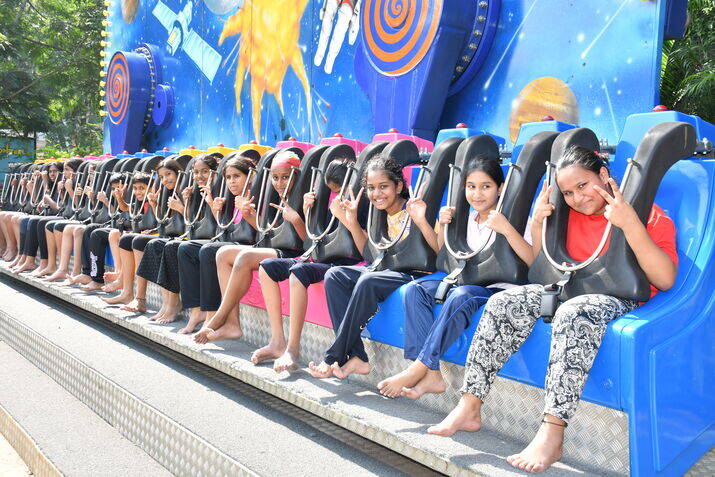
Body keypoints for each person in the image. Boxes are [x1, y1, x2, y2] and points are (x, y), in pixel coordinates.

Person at [427, 146, 678, 473]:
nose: (578, 198)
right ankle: (470, 404)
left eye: (583, 186)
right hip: (571, 287)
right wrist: (537, 225)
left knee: (574, 313)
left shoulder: (648, 214)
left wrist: (630, 225)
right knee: (503, 301)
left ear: (603, 175)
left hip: (618, 297)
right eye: (568, 193)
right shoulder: (565, 217)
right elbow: (540, 271)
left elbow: (665, 279)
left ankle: (553, 430)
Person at [377, 156, 535, 398]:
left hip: (497, 288)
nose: (477, 194)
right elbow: (442, 253)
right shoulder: (466, 220)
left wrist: (507, 229)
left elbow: (532, 261)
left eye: (486, 186)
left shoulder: (516, 219)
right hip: (467, 279)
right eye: (471, 187)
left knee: (462, 295)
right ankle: (431, 373)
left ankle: (417, 368)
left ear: (500, 188)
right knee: (416, 290)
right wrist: (439, 225)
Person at [308, 154, 439, 379]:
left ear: (398, 186)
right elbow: (369, 255)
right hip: (385, 269)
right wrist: (350, 222)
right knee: (335, 275)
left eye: (383, 186)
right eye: (371, 188)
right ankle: (357, 356)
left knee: (367, 280)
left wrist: (421, 221)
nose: (376, 193)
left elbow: (438, 251)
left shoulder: (414, 209)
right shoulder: (377, 215)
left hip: (413, 274)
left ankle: (333, 356)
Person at [256, 158, 366, 370]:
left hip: (345, 263)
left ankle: (292, 349)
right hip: (319, 257)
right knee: (268, 266)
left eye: (339, 191)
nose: (336, 195)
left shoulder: (358, 203)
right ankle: (277, 341)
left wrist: (346, 217)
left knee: (298, 272)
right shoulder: (325, 201)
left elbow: (365, 249)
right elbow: (311, 241)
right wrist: (308, 213)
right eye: (332, 191)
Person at [192, 150, 306, 344]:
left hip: (294, 253)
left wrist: (296, 220)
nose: (280, 183)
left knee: (244, 257)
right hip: (274, 246)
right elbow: (266, 232)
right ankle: (232, 324)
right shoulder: (272, 195)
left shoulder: (304, 197)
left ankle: (219, 317)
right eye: (275, 178)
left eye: (285, 177)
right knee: (223, 254)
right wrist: (249, 215)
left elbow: (308, 243)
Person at [176, 152, 259, 334]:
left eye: (237, 176)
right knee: (186, 249)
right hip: (231, 241)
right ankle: (196, 310)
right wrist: (215, 208)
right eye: (228, 178)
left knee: (208, 251)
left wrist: (248, 213)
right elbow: (225, 228)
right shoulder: (231, 198)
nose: (232, 182)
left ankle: (211, 314)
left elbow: (259, 231)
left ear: (250, 176)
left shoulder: (254, 196)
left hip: (248, 245)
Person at [136, 155, 215, 323]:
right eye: (162, 177)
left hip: (198, 237)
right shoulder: (180, 192)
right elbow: (164, 222)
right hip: (186, 235)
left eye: (168, 174)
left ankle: (174, 304)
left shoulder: (194, 190)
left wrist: (180, 207)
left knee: (171, 246)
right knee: (153, 244)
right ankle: (167, 303)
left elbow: (192, 222)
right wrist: (155, 204)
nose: (165, 180)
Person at [101, 173, 153, 312]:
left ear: (151, 188)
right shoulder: (140, 202)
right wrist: (119, 198)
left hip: (153, 235)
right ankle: (127, 293)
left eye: (142, 188)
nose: (138, 192)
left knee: (135, 240)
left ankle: (136, 295)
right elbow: (126, 208)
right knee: (124, 239)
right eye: (135, 188)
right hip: (142, 234)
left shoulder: (153, 199)